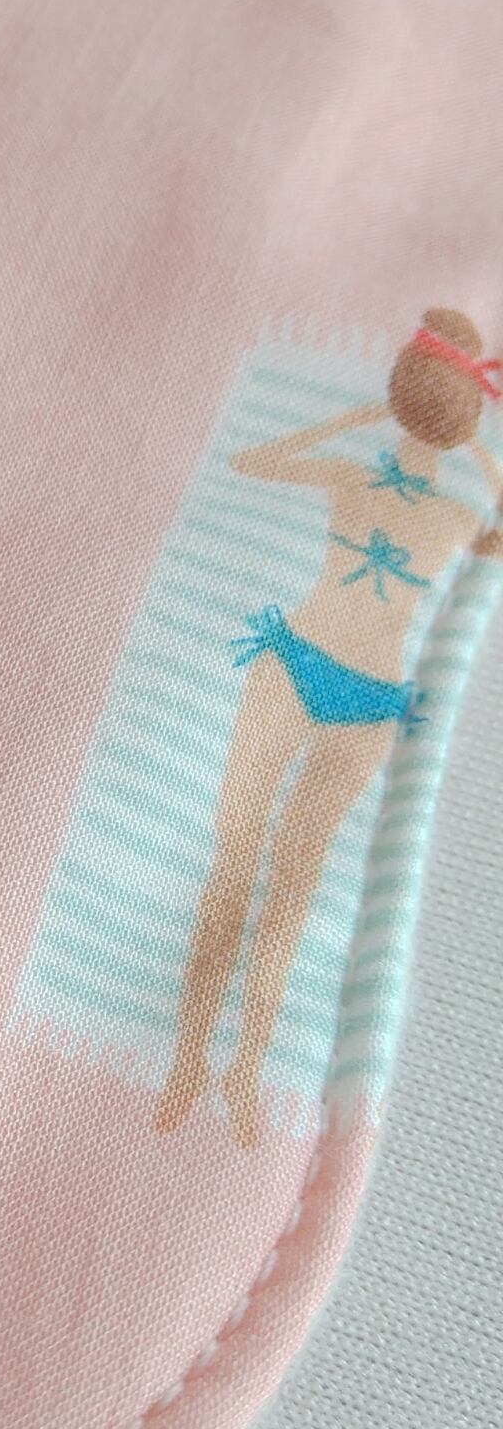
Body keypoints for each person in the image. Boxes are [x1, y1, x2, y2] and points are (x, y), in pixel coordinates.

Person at [155, 310, 503, 1146]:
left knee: (289, 882)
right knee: (247, 862)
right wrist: (376, 419)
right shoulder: (389, 490)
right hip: (305, 666)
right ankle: (192, 1060)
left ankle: (243, 1070)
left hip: (364, 696)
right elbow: (253, 462)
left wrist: (395, 427)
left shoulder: (439, 510)